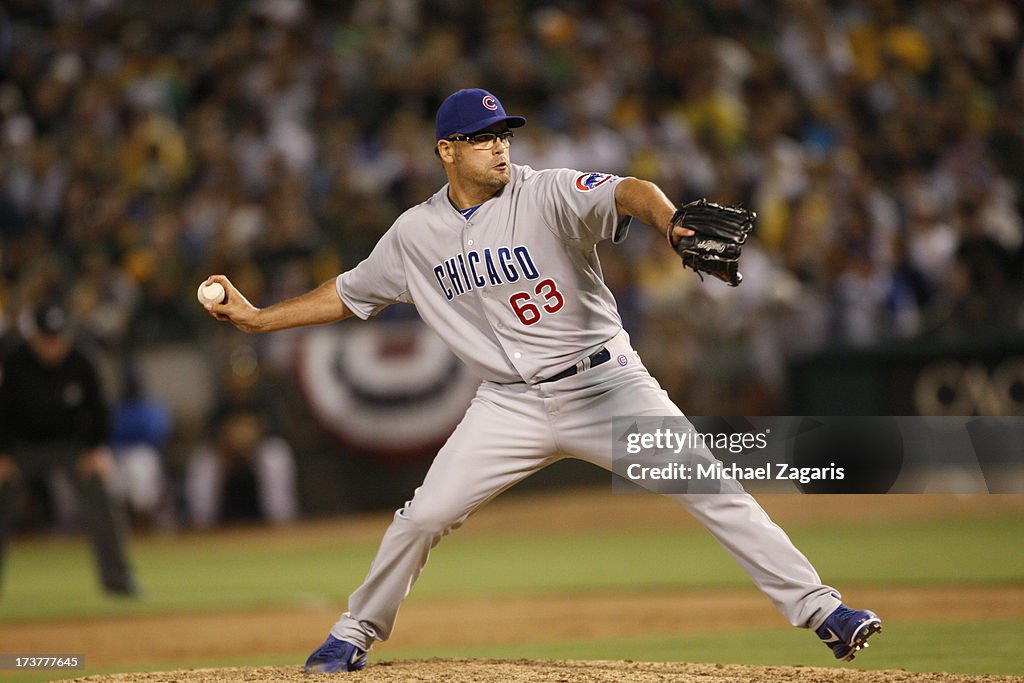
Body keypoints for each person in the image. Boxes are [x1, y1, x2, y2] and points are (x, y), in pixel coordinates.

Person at [202, 88, 881, 672]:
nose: (500, 149)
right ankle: (353, 632)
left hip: (607, 385)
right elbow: (350, 292)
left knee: (712, 485)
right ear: (447, 150)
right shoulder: (414, 234)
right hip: (509, 405)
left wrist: (670, 221)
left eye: (504, 135)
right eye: (483, 139)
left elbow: (629, 191)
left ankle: (825, 610)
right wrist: (260, 320)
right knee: (425, 515)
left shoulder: (548, 190)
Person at [0, 300, 138, 596]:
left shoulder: (82, 358)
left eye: (59, 337)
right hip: (21, 447)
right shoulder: (12, 362)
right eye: (47, 339)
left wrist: (96, 448)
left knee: (101, 493)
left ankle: (119, 580)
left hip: (72, 446)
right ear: (33, 336)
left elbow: (100, 408)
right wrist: (3, 454)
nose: (54, 345)